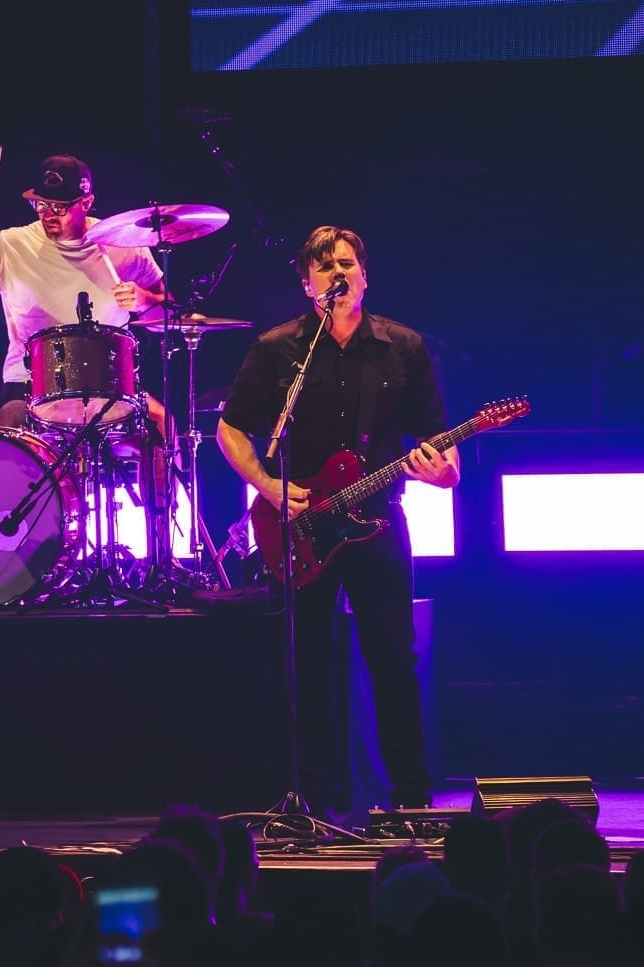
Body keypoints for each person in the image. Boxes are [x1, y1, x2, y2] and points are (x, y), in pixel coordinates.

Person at [216, 225, 460, 814]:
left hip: (379, 521)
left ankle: (411, 799)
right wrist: (271, 487)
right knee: (308, 664)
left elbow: (442, 449)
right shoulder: (280, 350)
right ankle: (314, 800)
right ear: (307, 285)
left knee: (392, 660)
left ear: (365, 274)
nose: (338, 274)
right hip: (300, 526)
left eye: (346, 263)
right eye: (324, 268)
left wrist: (443, 472)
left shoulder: (403, 347)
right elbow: (231, 427)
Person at [0, 153, 169, 429]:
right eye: (40, 204)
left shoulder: (124, 245)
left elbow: (167, 313)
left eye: (59, 207)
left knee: (164, 423)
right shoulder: (11, 245)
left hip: (111, 386)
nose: (47, 214)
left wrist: (146, 300)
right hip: (29, 385)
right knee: (10, 421)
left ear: (87, 203)